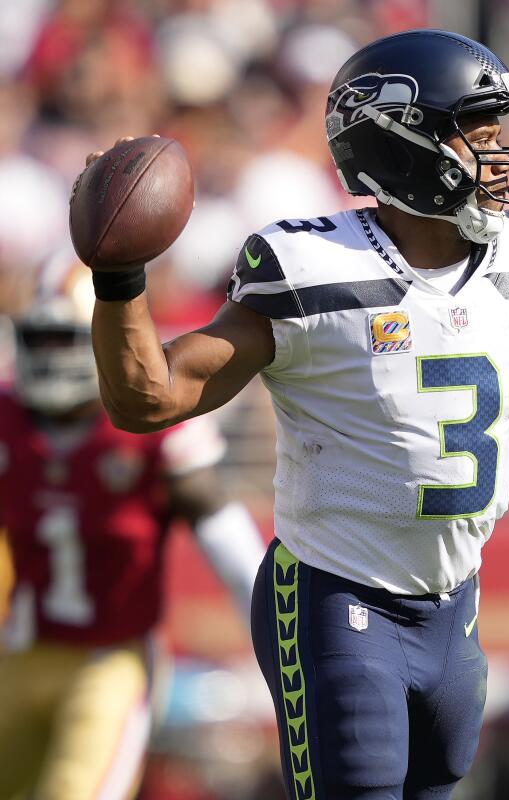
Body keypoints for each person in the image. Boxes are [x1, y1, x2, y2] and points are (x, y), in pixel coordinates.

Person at [72, 29, 509, 800]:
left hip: (454, 611)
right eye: (478, 135)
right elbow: (150, 398)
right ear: (401, 143)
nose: (500, 156)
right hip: (336, 595)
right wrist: (120, 277)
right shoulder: (313, 268)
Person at [0, 258, 263, 800]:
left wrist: (281, 643)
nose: (50, 356)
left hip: (110, 660)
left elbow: (229, 541)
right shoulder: (8, 419)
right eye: (41, 340)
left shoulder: (149, 431)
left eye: (65, 339)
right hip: (17, 653)